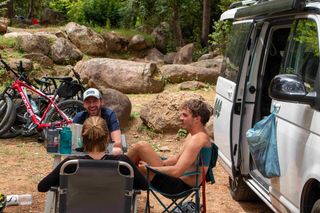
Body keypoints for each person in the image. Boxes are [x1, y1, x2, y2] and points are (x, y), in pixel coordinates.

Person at [38, 116, 148, 192]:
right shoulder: (123, 164)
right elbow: (144, 186)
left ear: (82, 139)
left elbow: (42, 187)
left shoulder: (71, 164)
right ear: (107, 138)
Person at [127, 99, 213, 195]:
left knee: (141, 147)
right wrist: (161, 163)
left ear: (197, 119)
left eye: (185, 115)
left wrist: (149, 168)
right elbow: (176, 158)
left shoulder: (199, 139)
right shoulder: (193, 135)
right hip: (177, 179)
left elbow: (177, 171)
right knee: (140, 153)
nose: (180, 118)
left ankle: (116, 171)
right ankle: (122, 175)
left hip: (178, 186)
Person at [73, 88, 123, 155]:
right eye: (88, 102)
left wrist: (96, 149)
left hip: (105, 153)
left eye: (95, 101)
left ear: (101, 102)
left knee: (118, 150)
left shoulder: (109, 115)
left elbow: (118, 142)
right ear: (84, 104)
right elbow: (72, 142)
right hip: (85, 153)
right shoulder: (79, 117)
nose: (92, 105)